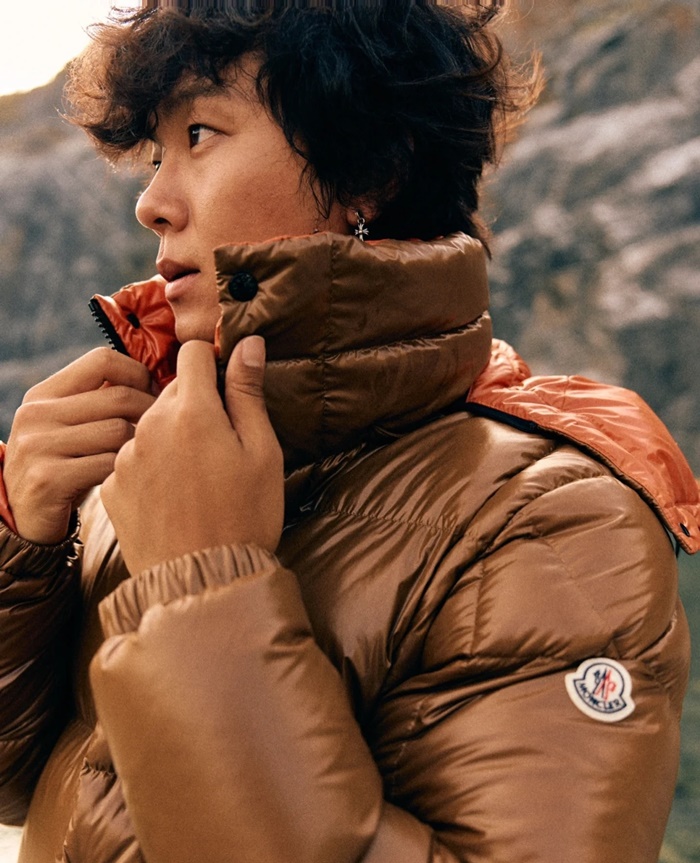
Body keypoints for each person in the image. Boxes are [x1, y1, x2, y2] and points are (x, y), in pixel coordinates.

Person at [0, 1, 697, 861]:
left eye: (200, 135)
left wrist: (199, 590)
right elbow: (27, 782)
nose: (152, 202)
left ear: (369, 170)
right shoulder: (159, 461)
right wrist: (23, 543)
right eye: (154, 154)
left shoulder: (551, 526)